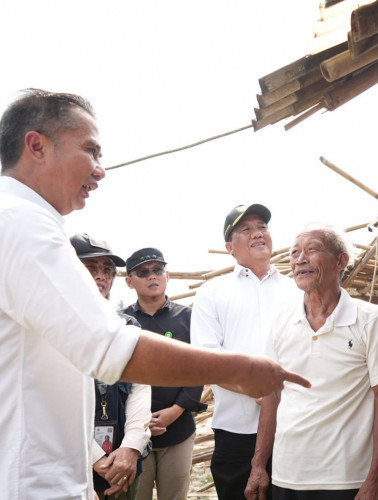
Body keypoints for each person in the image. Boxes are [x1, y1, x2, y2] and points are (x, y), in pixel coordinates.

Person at [0, 89, 309, 498]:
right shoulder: (22, 224)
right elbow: (109, 348)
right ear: (37, 146)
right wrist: (234, 369)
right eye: (91, 151)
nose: (100, 170)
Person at [245, 225, 378, 500]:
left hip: (347, 477)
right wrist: (258, 465)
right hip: (288, 473)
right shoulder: (283, 321)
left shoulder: (371, 319)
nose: (300, 259)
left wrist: (377, 478)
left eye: (312, 250)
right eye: (295, 253)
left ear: (341, 261)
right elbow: (272, 396)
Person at [190, 204, 301, 499]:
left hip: (295, 425)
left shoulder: (297, 290)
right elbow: (206, 360)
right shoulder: (212, 292)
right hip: (237, 429)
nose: (257, 233)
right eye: (246, 229)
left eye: (262, 226)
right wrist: (254, 390)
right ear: (229, 246)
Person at [70, 233, 152, 500]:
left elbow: (141, 388)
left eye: (107, 270)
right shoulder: (56, 326)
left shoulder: (127, 327)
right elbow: (54, 402)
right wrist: (96, 460)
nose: (100, 276)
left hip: (124, 462)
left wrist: (130, 449)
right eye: (90, 268)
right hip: (73, 462)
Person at [121, 247, 207, 500]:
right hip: (133, 432)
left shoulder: (188, 318)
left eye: (157, 270)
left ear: (166, 275)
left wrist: (175, 411)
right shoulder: (122, 322)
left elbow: (200, 369)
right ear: (129, 281)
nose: (152, 276)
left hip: (178, 429)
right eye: (143, 272)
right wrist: (140, 421)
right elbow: (117, 378)